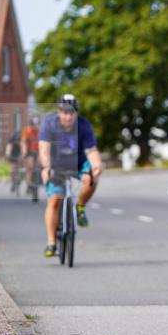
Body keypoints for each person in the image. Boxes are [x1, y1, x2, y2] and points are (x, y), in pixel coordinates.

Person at [39, 94, 103, 257]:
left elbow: (91, 150)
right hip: (56, 164)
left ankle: (80, 207)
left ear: (76, 113)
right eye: (64, 112)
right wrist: (46, 167)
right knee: (54, 201)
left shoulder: (84, 126)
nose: (68, 117)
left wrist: (96, 165)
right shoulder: (49, 124)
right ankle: (51, 242)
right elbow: (44, 149)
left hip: (77, 162)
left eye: (71, 113)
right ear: (58, 112)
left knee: (91, 178)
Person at [21, 116, 41, 201]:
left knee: (40, 164)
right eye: (35, 125)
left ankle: (38, 178)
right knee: (30, 167)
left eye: (38, 124)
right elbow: (23, 142)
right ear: (31, 125)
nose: (37, 126)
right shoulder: (27, 131)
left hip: (39, 150)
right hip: (29, 151)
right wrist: (24, 152)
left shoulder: (42, 131)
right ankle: (29, 183)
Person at [7, 128, 23, 193]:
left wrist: (22, 155)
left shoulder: (21, 140)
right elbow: (9, 147)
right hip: (12, 154)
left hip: (18, 154)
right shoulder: (11, 140)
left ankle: (18, 178)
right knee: (13, 170)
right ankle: (13, 182)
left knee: (18, 168)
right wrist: (8, 154)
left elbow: (23, 147)